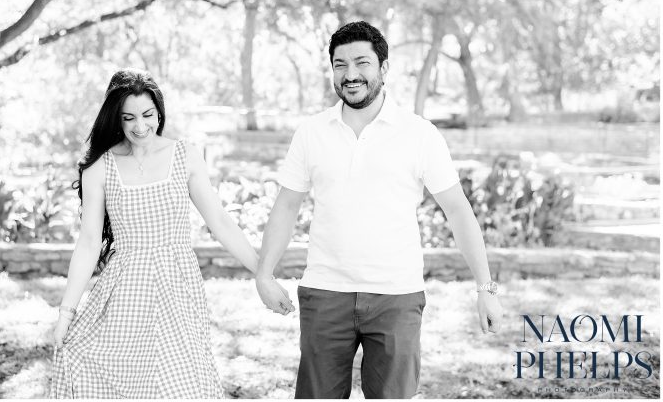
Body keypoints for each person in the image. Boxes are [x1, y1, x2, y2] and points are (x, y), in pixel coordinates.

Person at [255, 21, 502, 400]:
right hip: (325, 292)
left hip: (396, 297)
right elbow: (287, 205)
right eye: (340, 65)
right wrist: (264, 274)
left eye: (361, 63)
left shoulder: (419, 134)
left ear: (383, 69)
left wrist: (485, 288)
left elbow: (457, 210)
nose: (350, 75)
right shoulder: (311, 132)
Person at [52, 69, 258, 398]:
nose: (140, 126)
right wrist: (66, 313)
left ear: (159, 112)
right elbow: (89, 242)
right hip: (124, 293)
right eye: (128, 118)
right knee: (129, 386)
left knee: (185, 385)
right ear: (116, 119)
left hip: (178, 287)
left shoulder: (185, 154)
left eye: (148, 115)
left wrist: (262, 273)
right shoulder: (99, 167)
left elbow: (218, 220)